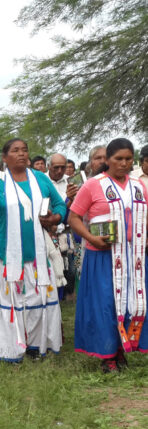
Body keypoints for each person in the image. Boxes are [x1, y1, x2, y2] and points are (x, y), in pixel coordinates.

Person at [0, 138, 66, 362]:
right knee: (10, 302)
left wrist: (54, 218)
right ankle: (9, 348)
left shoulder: (40, 179)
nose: (21, 154)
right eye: (15, 150)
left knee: (37, 301)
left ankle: (35, 346)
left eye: (24, 150)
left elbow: (60, 205)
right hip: (6, 255)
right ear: (4, 157)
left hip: (37, 255)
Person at [69, 138, 148, 372]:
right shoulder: (94, 185)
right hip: (103, 256)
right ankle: (108, 354)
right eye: (118, 159)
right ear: (108, 160)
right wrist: (91, 238)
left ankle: (123, 348)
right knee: (106, 304)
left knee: (132, 303)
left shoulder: (139, 185)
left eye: (128, 159)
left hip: (134, 258)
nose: (124, 163)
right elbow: (74, 217)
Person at [47, 153, 79, 300]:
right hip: (49, 231)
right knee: (53, 266)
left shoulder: (71, 183)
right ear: (49, 167)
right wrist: (67, 200)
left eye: (63, 167)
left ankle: (68, 293)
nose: (60, 171)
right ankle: (54, 297)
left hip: (68, 231)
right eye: (56, 168)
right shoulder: (42, 182)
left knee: (70, 267)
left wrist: (72, 200)